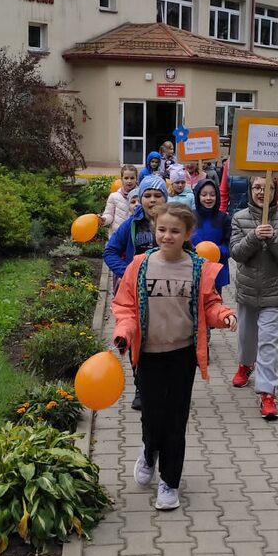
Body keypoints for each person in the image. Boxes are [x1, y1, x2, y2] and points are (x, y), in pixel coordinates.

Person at [113, 204, 237, 510]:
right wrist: (124, 332)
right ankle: (149, 452)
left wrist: (224, 315)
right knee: (152, 416)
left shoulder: (197, 268)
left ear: (188, 234)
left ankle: (169, 482)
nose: (167, 236)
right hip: (149, 355)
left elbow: (210, 303)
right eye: (162, 229)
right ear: (154, 229)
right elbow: (126, 306)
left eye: (175, 231)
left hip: (182, 355)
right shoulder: (140, 265)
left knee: (175, 420)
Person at [229, 176, 278, 420]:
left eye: (267, 188)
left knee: (268, 342)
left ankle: (268, 393)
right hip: (247, 290)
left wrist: (273, 238)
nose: (261, 192)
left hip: (273, 292)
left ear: (275, 191)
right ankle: (246, 364)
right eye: (256, 187)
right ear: (250, 190)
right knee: (247, 336)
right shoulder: (239, 218)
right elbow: (236, 253)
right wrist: (254, 236)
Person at [104, 174, 169, 407]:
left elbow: (190, 254)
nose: (152, 200)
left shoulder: (174, 223)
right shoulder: (131, 224)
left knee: (163, 340)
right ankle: (141, 388)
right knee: (138, 341)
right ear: (140, 199)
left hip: (166, 295)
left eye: (157, 195)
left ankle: (163, 386)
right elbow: (110, 252)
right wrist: (128, 272)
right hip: (137, 295)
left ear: (166, 198)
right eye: (147, 195)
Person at [193, 178, 230, 291]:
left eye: (212, 195)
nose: (208, 198)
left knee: (214, 300)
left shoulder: (224, 218)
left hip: (216, 269)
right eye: (204, 195)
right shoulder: (190, 217)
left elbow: (229, 243)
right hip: (194, 269)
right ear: (198, 196)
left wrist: (216, 252)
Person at [100, 165, 139, 235]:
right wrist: (104, 219)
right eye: (126, 178)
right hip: (117, 235)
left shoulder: (142, 196)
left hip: (134, 235)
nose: (129, 181)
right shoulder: (114, 196)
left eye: (132, 178)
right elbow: (109, 214)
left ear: (136, 179)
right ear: (121, 179)